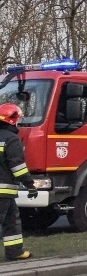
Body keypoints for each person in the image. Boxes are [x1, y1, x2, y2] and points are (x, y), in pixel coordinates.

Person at [0, 104, 35, 261]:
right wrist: (30, 184)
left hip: (6, 191)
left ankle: (15, 251)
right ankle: (15, 252)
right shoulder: (11, 139)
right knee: (8, 220)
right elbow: (18, 167)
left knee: (12, 220)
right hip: (3, 190)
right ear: (12, 120)